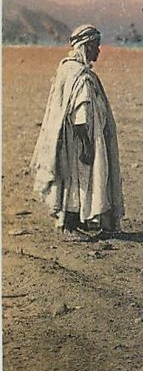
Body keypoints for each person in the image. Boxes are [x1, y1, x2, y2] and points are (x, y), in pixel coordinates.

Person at [30, 24, 125, 241]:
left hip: (67, 137)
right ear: (86, 46)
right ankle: (69, 225)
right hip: (78, 139)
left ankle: (74, 222)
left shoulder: (66, 69)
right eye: (95, 47)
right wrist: (87, 145)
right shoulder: (81, 76)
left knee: (73, 179)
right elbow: (80, 116)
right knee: (79, 179)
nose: (98, 51)